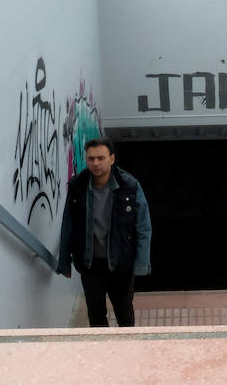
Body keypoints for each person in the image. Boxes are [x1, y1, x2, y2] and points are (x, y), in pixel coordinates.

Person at [57, 137, 151, 327]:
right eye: (91, 159)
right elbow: (68, 225)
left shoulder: (130, 187)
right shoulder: (77, 187)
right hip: (90, 263)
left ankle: (127, 350)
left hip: (121, 263)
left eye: (100, 158)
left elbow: (143, 227)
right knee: (95, 313)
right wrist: (64, 262)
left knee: (124, 311)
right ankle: (103, 351)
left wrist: (141, 263)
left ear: (112, 159)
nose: (96, 163)